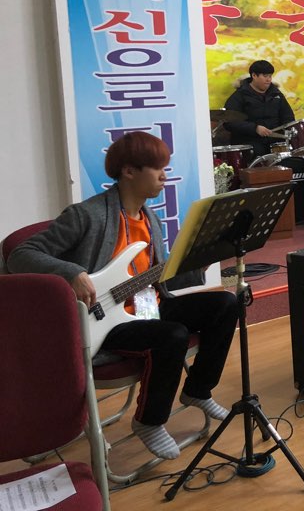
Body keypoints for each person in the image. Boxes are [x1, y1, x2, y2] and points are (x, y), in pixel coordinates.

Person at [8, 132, 239, 460]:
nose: (164, 176)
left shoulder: (151, 218)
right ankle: (149, 421)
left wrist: (199, 260)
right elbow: (20, 254)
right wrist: (71, 273)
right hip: (106, 322)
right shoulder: (87, 215)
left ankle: (198, 389)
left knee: (226, 303)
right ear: (129, 171)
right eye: (157, 168)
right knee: (172, 335)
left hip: (147, 308)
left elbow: (159, 276)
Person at [224, 59, 295, 157]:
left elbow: (288, 117)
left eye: (270, 76)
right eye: (265, 76)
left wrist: (289, 130)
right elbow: (229, 122)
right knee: (258, 152)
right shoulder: (239, 96)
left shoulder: (277, 94)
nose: (268, 80)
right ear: (254, 75)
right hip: (249, 142)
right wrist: (255, 128)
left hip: (275, 141)